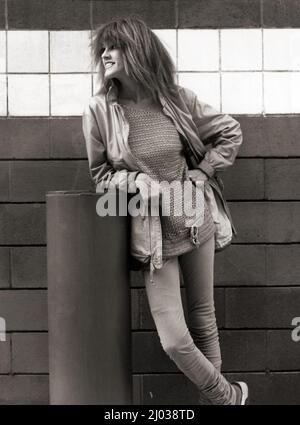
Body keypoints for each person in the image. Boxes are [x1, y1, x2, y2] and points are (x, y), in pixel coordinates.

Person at [82, 15, 249, 405]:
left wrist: (204, 171)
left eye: (114, 46)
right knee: (175, 338)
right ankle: (228, 397)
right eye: (102, 49)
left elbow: (230, 131)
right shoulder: (100, 110)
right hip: (152, 234)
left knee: (205, 321)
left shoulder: (178, 99)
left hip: (195, 219)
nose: (105, 54)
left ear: (138, 49)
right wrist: (133, 183)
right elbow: (101, 176)